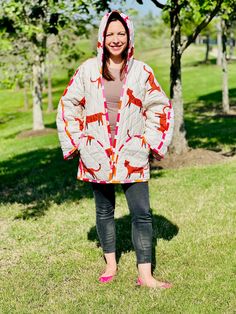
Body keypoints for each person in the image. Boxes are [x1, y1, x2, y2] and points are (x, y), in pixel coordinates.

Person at [57, 10, 174, 289]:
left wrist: (150, 141)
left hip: (132, 152)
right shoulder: (88, 70)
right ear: (102, 37)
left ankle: (145, 275)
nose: (116, 39)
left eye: (121, 33)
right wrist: (77, 141)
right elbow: (69, 104)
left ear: (129, 35)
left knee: (141, 212)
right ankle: (111, 263)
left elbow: (159, 106)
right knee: (104, 211)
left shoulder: (142, 71)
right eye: (110, 34)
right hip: (96, 152)